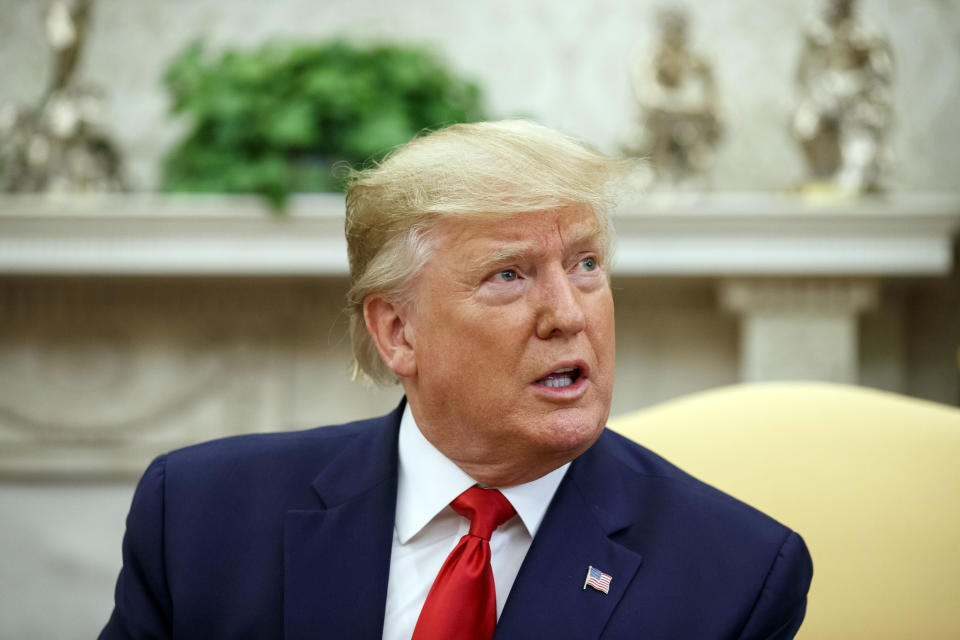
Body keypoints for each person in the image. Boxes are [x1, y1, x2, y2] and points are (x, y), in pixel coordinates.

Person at [100, 120, 812, 639]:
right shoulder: (199, 519)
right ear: (398, 332)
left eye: (586, 265)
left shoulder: (737, 577)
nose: (568, 315)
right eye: (509, 275)